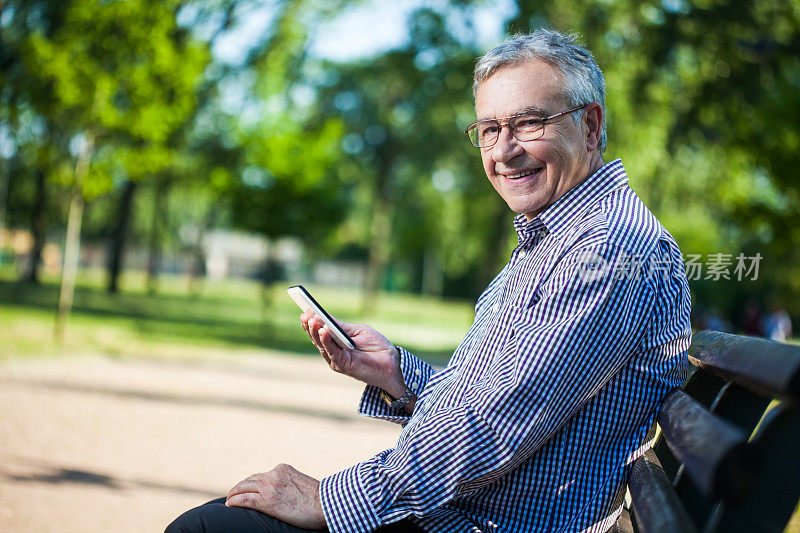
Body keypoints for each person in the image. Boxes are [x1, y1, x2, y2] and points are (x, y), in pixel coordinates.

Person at [166, 29, 691, 533]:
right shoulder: (560, 238)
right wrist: (396, 372)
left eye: (529, 123)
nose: (504, 151)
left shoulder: (609, 251)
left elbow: (494, 428)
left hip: (480, 524)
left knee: (208, 528)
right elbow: (497, 401)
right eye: (489, 130)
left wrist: (329, 498)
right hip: (463, 516)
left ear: (591, 126)